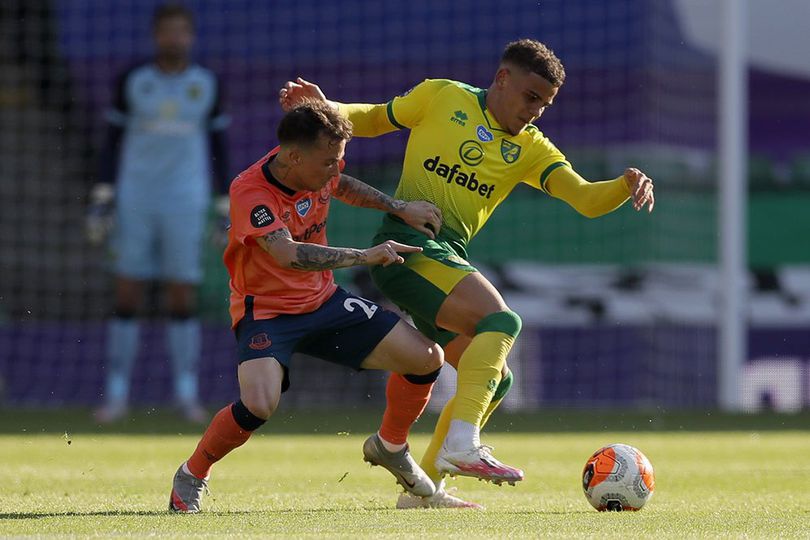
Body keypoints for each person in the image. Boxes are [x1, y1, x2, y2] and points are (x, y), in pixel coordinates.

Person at [279, 38, 655, 509]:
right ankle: (463, 443)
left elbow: (584, 198)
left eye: (545, 104)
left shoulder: (532, 149)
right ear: (502, 79)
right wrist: (324, 106)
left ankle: (424, 492)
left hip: (441, 258)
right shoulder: (442, 96)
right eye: (531, 97)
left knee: (497, 380)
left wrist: (623, 185)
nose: (536, 111)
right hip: (405, 244)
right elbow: (372, 118)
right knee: (504, 322)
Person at [168, 100, 446, 513]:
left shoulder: (318, 169)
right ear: (294, 156)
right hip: (267, 311)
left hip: (324, 300)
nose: (335, 170)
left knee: (426, 358)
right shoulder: (250, 191)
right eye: (328, 162)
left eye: (339, 160)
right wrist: (366, 256)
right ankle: (193, 473)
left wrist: (398, 207)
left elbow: (343, 184)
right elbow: (288, 255)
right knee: (259, 405)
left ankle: (391, 446)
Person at [86, 3, 231, 423]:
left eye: (181, 32)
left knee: (180, 294)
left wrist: (222, 205)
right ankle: (116, 395)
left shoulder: (206, 83)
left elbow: (219, 146)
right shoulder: (134, 80)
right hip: (136, 197)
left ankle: (186, 395)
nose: (174, 39)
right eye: (167, 32)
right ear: (156, 36)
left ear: (190, 37)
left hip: (187, 199)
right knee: (127, 290)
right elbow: (111, 140)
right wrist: (103, 195)